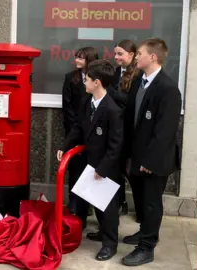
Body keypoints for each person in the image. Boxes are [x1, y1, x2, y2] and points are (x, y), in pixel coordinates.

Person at [121, 38, 182, 266]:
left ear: (153, 57)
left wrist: (150, 161)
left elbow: (165, 131)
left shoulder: (167, 88)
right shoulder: (139, 82)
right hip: (136, 156)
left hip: (154, 159)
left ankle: (147, 247)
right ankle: (143, 231)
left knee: (151, 202)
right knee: (140, 199)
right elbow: (131, 117)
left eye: (140, 54)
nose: (136, 57)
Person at [57, 59, 123, 261]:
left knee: (108, 207)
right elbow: (78, 126)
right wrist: (65, 145)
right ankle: (103, 232)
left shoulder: (112, 109)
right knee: (96, 202)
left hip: (107, 166)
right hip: (90, 160)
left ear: (97, 82)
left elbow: (116, 144)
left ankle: (110, 244)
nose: (83, 82)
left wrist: (103, 168)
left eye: (87, 79)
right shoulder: (87, 101)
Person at [86, 39, 143, 242]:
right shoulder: (116, 74)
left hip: (122, 134)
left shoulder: (137, 75)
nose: (117, 57)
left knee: (116, 187)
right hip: (107, 135)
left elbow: (129, 102)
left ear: (132, 55)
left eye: (120, 54)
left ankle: (113, 231)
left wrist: (109, 93)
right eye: (115, 54)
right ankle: (106, 228)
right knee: (105, 190)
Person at [61, 46, 98, 226]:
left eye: (81, 58)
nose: (77, 61)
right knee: (75, 172)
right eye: (76, 57)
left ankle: (87, 206)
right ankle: (75, 207)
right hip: (75, 131)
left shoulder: (97, 80)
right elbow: (66, 106)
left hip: (92, 134)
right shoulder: (70, 78)